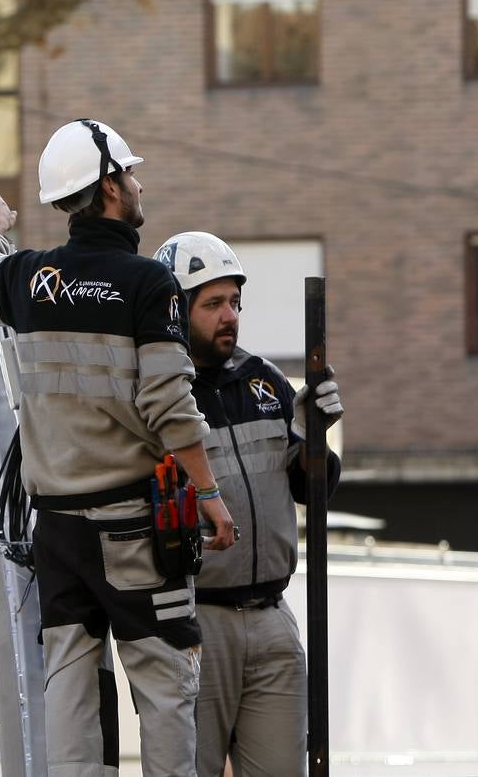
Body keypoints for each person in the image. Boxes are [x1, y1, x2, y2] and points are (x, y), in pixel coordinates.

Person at [0, 119, 236, 777]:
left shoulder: (28, 280)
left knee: (71, 689)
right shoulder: (148, 286)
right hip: (133, 530)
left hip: (56, 529)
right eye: (132, 175)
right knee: (166, 684)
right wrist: (211, 496)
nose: (140, 185)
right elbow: (170, 406)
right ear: (110, 187)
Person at [153, 231, 344, 777]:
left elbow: (314, 491)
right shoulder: (160, 392)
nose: (229, 315)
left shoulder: (265, 381)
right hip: (198, 622)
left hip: (273, 620)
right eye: (213, 304)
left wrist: (314, 436)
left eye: (234, 301)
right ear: (177, 310)